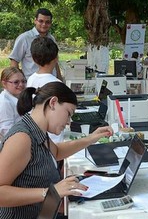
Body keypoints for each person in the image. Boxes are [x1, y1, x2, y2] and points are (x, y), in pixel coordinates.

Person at [0, 81, 113, 219]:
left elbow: (57, 152)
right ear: (53, 103)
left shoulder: (38, 131)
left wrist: (90, 139)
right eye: (68, 113)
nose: (68, 122)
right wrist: (50, 192)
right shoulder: (21, 138)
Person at [9, 8, 62, 80]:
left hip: (51, 84)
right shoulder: (24, 38)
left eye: (47, 22)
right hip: (31, 84)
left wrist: (60, 80)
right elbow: (14, 62)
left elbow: (55, 62)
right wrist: (20, 83)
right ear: (35, 21)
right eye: (41, 21)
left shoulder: (51, 39)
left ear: (51, 23)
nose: (44, 24)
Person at [0, 67, 26, 139]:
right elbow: (6, 131)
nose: (21, 84)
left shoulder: (18, 97)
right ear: (4, 83)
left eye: (23, 81)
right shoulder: (5, 103)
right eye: (16, 82)